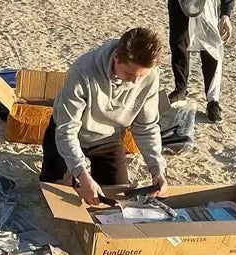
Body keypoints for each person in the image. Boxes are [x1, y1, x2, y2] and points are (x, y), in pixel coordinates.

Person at [39, 28, 168, 205]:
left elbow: (146, 127)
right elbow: (66, 129)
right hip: (70, 134)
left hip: (109, 139)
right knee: (56, 197)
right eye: (129, 74)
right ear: (116, 57)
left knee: (113, 198)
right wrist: (82, 175)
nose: (135, 83)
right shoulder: (82, 71)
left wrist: (157, 170)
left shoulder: (150, 75)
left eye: (141, 76)